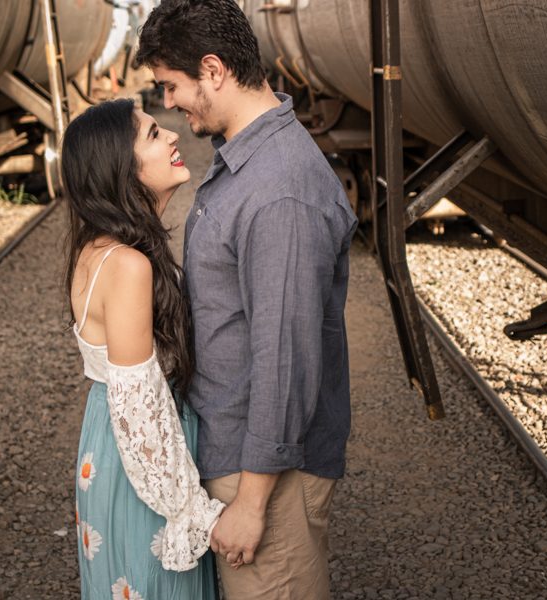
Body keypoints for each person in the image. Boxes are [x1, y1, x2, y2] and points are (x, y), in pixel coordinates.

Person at [134, 1, 358, 598]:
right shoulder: (247, 158)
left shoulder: (278, 190)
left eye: (171, 86)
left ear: (213, 70)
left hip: (261, 473)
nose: (170, 103)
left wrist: (253, 503)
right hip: (234, 451)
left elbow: (285, 361)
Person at [61, 98, 225, 599]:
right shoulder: (128, 265)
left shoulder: (97, 248)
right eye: (154, 135)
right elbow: (139, 407)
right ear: (121, 168)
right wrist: (193, 513)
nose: (174, 136)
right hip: (142, 464)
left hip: (109, 446)